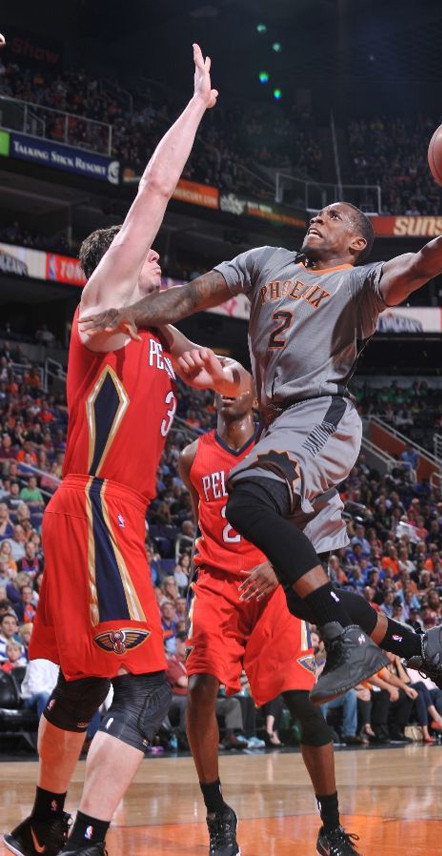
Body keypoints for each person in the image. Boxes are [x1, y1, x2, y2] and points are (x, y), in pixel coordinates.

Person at [80, 124, 442, 717]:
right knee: (300, 587)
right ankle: (420, 645)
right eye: (320, 211)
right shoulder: (265, 263)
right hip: (282, 425)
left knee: (245, 497)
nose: (318, 216)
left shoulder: (362, 283)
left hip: (322, 414)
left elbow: (428, 260)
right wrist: (128, 314)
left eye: (334, 216)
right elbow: (191, 296)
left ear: (357, 243)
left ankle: (343, 643)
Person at [3, 45, 248, 856]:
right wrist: (198, 107)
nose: (158, 259)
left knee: (82, 681)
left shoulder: (151, 338)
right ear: (118, 265)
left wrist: (197, 348)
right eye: (150, 256)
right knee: (148, 690)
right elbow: (150, 192)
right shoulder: (103, 309)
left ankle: (39, 825)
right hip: (99, 505)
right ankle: (85, 840)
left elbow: (223, 378)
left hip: (109, 512)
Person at [179, 383, 363, 856]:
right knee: (200, 689)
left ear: (257, 396)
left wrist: (277, 562)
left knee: (305, 702)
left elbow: (314, 507)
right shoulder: (190, 457)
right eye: (219, 376)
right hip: (218, 584)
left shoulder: (282, 448)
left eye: (237, 376)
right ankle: (218, 814)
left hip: (273, 584)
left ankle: (331, 827)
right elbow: (201, 515)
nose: (225, 384)